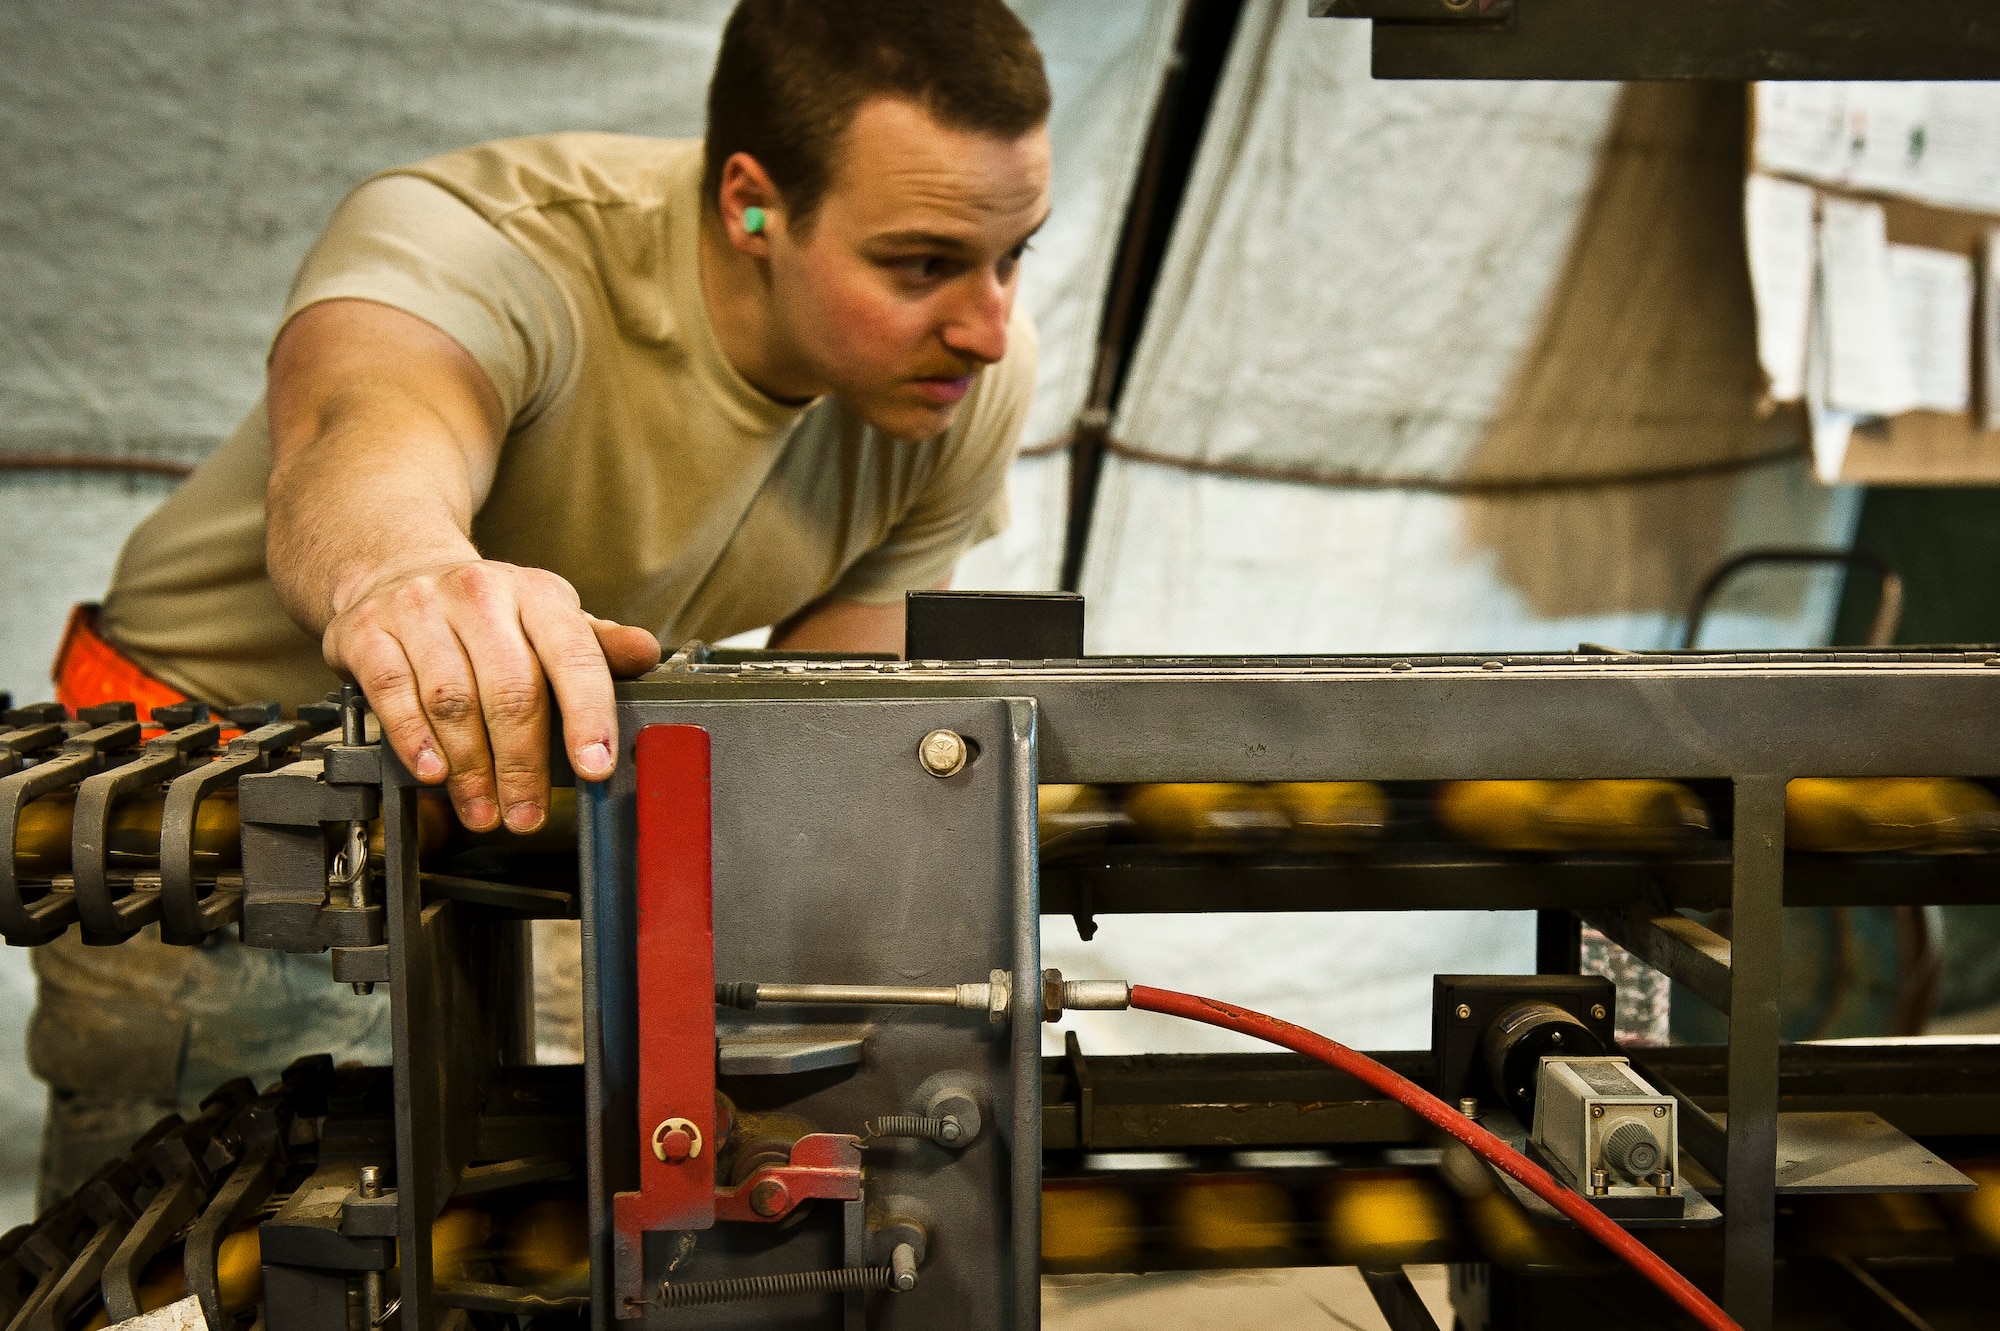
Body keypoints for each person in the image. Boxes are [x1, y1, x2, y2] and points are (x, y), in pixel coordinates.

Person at [34, 0, 1051, 1202]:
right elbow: (360, 431)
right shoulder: (494, 245)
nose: (987, 326)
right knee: (234, 1257)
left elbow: (819, 736)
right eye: (921, 264)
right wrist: (403, 575)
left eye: (1014, 253)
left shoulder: (953, 385)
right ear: (752, 207)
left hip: (521, 819)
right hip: (214, 830)